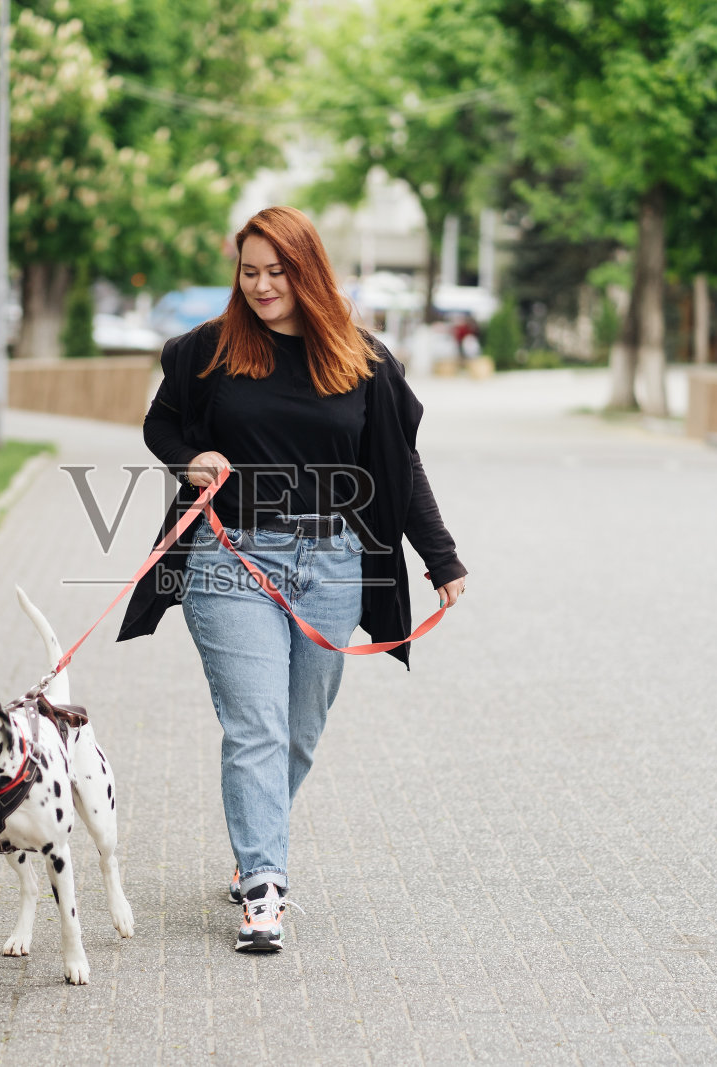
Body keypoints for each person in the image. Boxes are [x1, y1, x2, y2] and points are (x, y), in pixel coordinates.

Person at [117, 206, 467, 952]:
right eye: (250, 272)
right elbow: (161, 423)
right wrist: (189, 459)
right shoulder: (208, 350)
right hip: (229, 558)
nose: (263, 286)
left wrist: (440, 556)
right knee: (258, 726)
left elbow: (398, 463)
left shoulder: (362, 360)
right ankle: (264, 886)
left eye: (277, 272)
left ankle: (256, 841)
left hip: (332, 564)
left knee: (300, 732)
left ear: (308, 272)